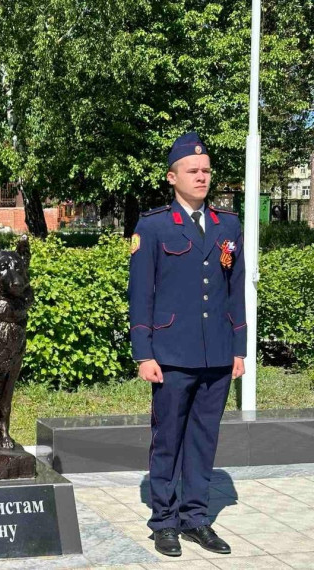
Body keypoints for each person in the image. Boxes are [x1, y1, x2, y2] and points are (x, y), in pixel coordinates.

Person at [128, 132, 245, 557]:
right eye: (193, 171)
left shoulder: (227, 225)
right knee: (168, 439)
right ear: (172, 177)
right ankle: (164, 521)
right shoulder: (154, 225)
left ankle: (196, 518)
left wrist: (239, 348)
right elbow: (141, 293)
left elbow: (234, 291)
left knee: (203, 439)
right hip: (171, 353)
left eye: (207, 170)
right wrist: (144, 352)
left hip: (216, 352)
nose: (202, 176)